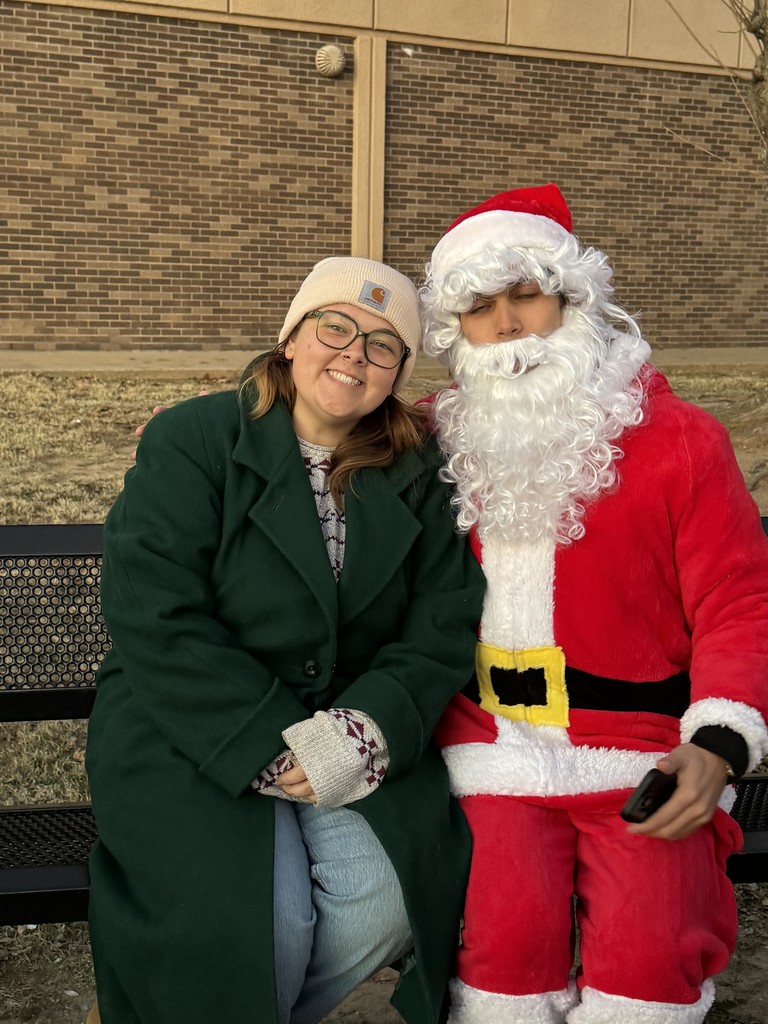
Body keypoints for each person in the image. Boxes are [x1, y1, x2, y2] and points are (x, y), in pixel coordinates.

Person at [85, 256, 485, 1024]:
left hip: (342, 726)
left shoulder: (416, 467)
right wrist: (267, 742)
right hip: (187, 720)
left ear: (398, 372)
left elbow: (442, 619)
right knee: (261, 920)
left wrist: (362, 729)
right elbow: (153, 609)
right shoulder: (195, 439)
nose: (353, 353)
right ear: (291, 340)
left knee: (394, 893)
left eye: (382, 344)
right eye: (334, 326)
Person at [416, 184, 768, 1024]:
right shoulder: (428, 442)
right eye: (481, 308)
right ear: (455, 331)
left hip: (638, 750)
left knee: (651, 960)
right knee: (501, 951)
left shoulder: (682, 439)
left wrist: (718, 740)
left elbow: (738, 599)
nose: (508, 327)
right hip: (488, 749)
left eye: (527, 295)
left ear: (575, 299)